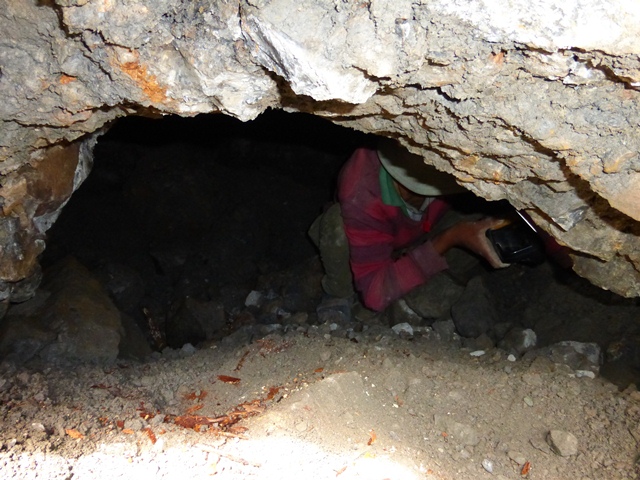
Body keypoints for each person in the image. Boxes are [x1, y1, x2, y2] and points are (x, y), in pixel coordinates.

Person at [309, 138, 509, 312]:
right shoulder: (361, 192)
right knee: (336, 227)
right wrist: (452, 237)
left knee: (480, 221)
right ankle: (339, 291)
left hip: (417, 229)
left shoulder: (445, 170)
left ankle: (411, 268)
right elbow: (375, 295)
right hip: (364, 230)